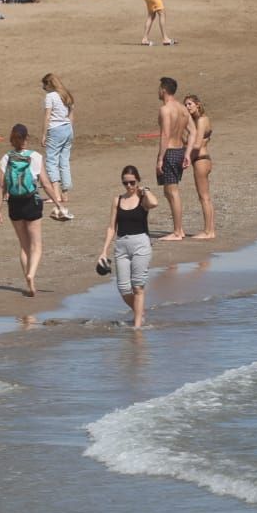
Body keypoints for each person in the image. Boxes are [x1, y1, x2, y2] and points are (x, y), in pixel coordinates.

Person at [0, 124, 67, 296]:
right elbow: (46, 184)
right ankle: (31, 274)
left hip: (14, 204)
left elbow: (2, 186)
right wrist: (58, 204)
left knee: (24, 245)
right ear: (26, 138)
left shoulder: (6, 158)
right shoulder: (35, 156)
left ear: (12, 140)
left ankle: (30, 284)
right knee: (37, 244)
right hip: (31, 203)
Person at [98, 164, 157, 327]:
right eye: (126, 183)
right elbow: (111, 227)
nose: (129, 186)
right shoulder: (117, 200)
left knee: (138, 286)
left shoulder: (143, 198)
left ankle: (137, 327)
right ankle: (140, 312)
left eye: (132, 182)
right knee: (124, 289)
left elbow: (154, 203)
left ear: (138, 181)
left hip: (141, 244)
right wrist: (104, 251)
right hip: (121, 245)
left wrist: (145, 190)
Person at [156, 76, 194, 240]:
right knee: (168, 190)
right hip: (179, 150)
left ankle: (178, 231)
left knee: (172, 191)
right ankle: (178, 229)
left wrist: (160, 159)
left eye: (159, 88)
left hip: (170, 151)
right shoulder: (183, 109)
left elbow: (165, 135)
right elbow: (193, 131)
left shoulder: (166, 110)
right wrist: (187, 153)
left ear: (164, 90)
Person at [41, 73, 75, 219]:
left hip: (55, 130)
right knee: (64, 162)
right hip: (68, 129)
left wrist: (44, 134)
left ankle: (55, 195)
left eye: (44, 85)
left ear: (49, 84)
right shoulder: (66, 94)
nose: (43, 88)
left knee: (51, 161)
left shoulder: (50, 96)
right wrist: (70, 129)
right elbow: (71, 114)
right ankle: (65, 193)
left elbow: (47, 116)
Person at [184, 94, 215, 240]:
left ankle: (209, 231)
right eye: (186, 105)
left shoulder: (202, 120)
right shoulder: (198, 120)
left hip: (201, 160)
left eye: (190, 104)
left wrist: (185, 146)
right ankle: (210, 230)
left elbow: (196, 144)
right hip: (202, 160)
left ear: (197, 104)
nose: (187, 107)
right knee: (204, 197)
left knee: (204, 198)